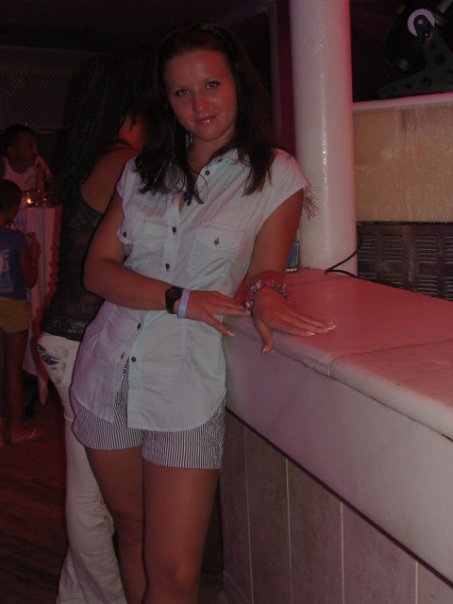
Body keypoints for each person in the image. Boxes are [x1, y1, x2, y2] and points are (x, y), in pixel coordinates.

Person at [70, 21, 334, 604]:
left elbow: (266, 267)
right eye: (182, 92)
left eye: (212, 84)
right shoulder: (141, 172)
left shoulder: (276, 174)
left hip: (186, 386)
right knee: (131, 530)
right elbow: (98, 271)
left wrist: (267, 290)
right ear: (166, 100)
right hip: (108, 370)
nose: (199, 104)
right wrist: (179, 298)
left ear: (237, 83)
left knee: (176, 572)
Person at [38, 53, 150, 603]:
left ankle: (81, 595)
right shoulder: (123, 165)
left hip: (66, 335)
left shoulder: (91, 160)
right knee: (99, 497)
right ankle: (103, 597)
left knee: (89, 487)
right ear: (131, 111)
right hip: (82, 341)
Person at [0, 179, 41, 445]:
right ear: (14, 209)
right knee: (12, 370)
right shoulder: (15, 239)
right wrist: (34, 254)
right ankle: (15, 429)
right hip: (13, 306)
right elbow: (29, 279)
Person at [0, 124, 53, 198]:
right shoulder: (2, 167)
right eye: (30, 146)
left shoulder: (38, 162)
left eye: (36, 146)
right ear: (12, 151)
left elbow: (51, 185)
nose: (36, 151)